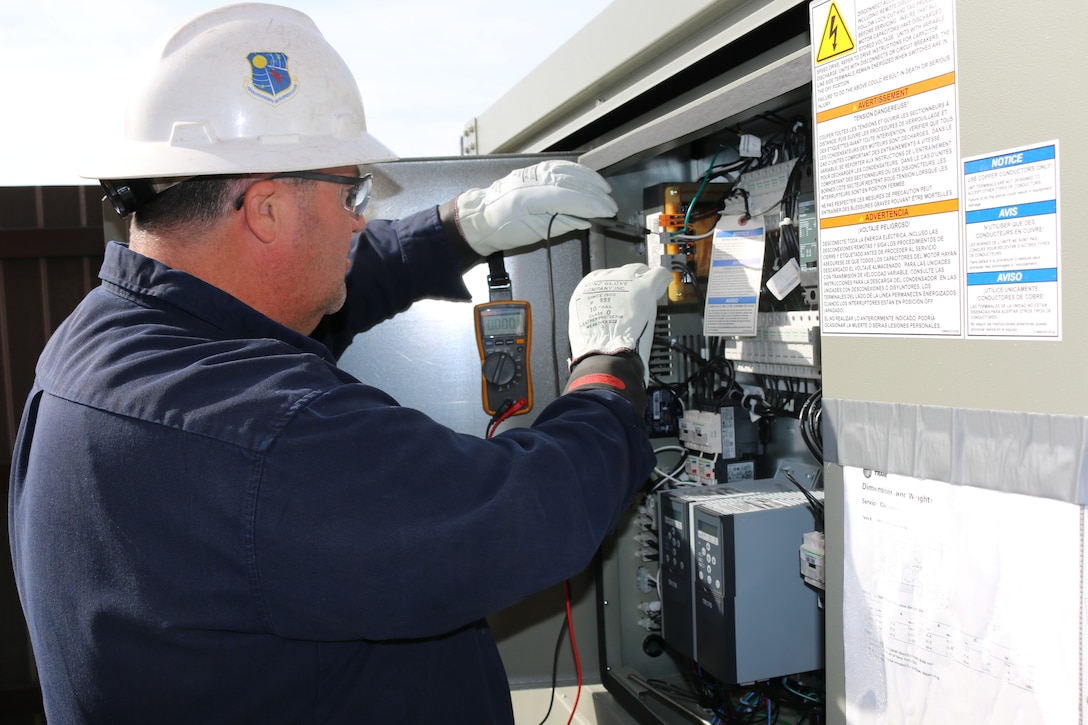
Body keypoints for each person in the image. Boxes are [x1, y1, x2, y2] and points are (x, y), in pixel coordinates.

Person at [7, 4, 669, 723]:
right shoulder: (269, 437)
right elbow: (535, 508)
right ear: (264, 209)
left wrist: (458, 229)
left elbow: (314, 291)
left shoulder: (101, 341)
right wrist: (607, 366)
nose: (360, 218)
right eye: (351, 192)